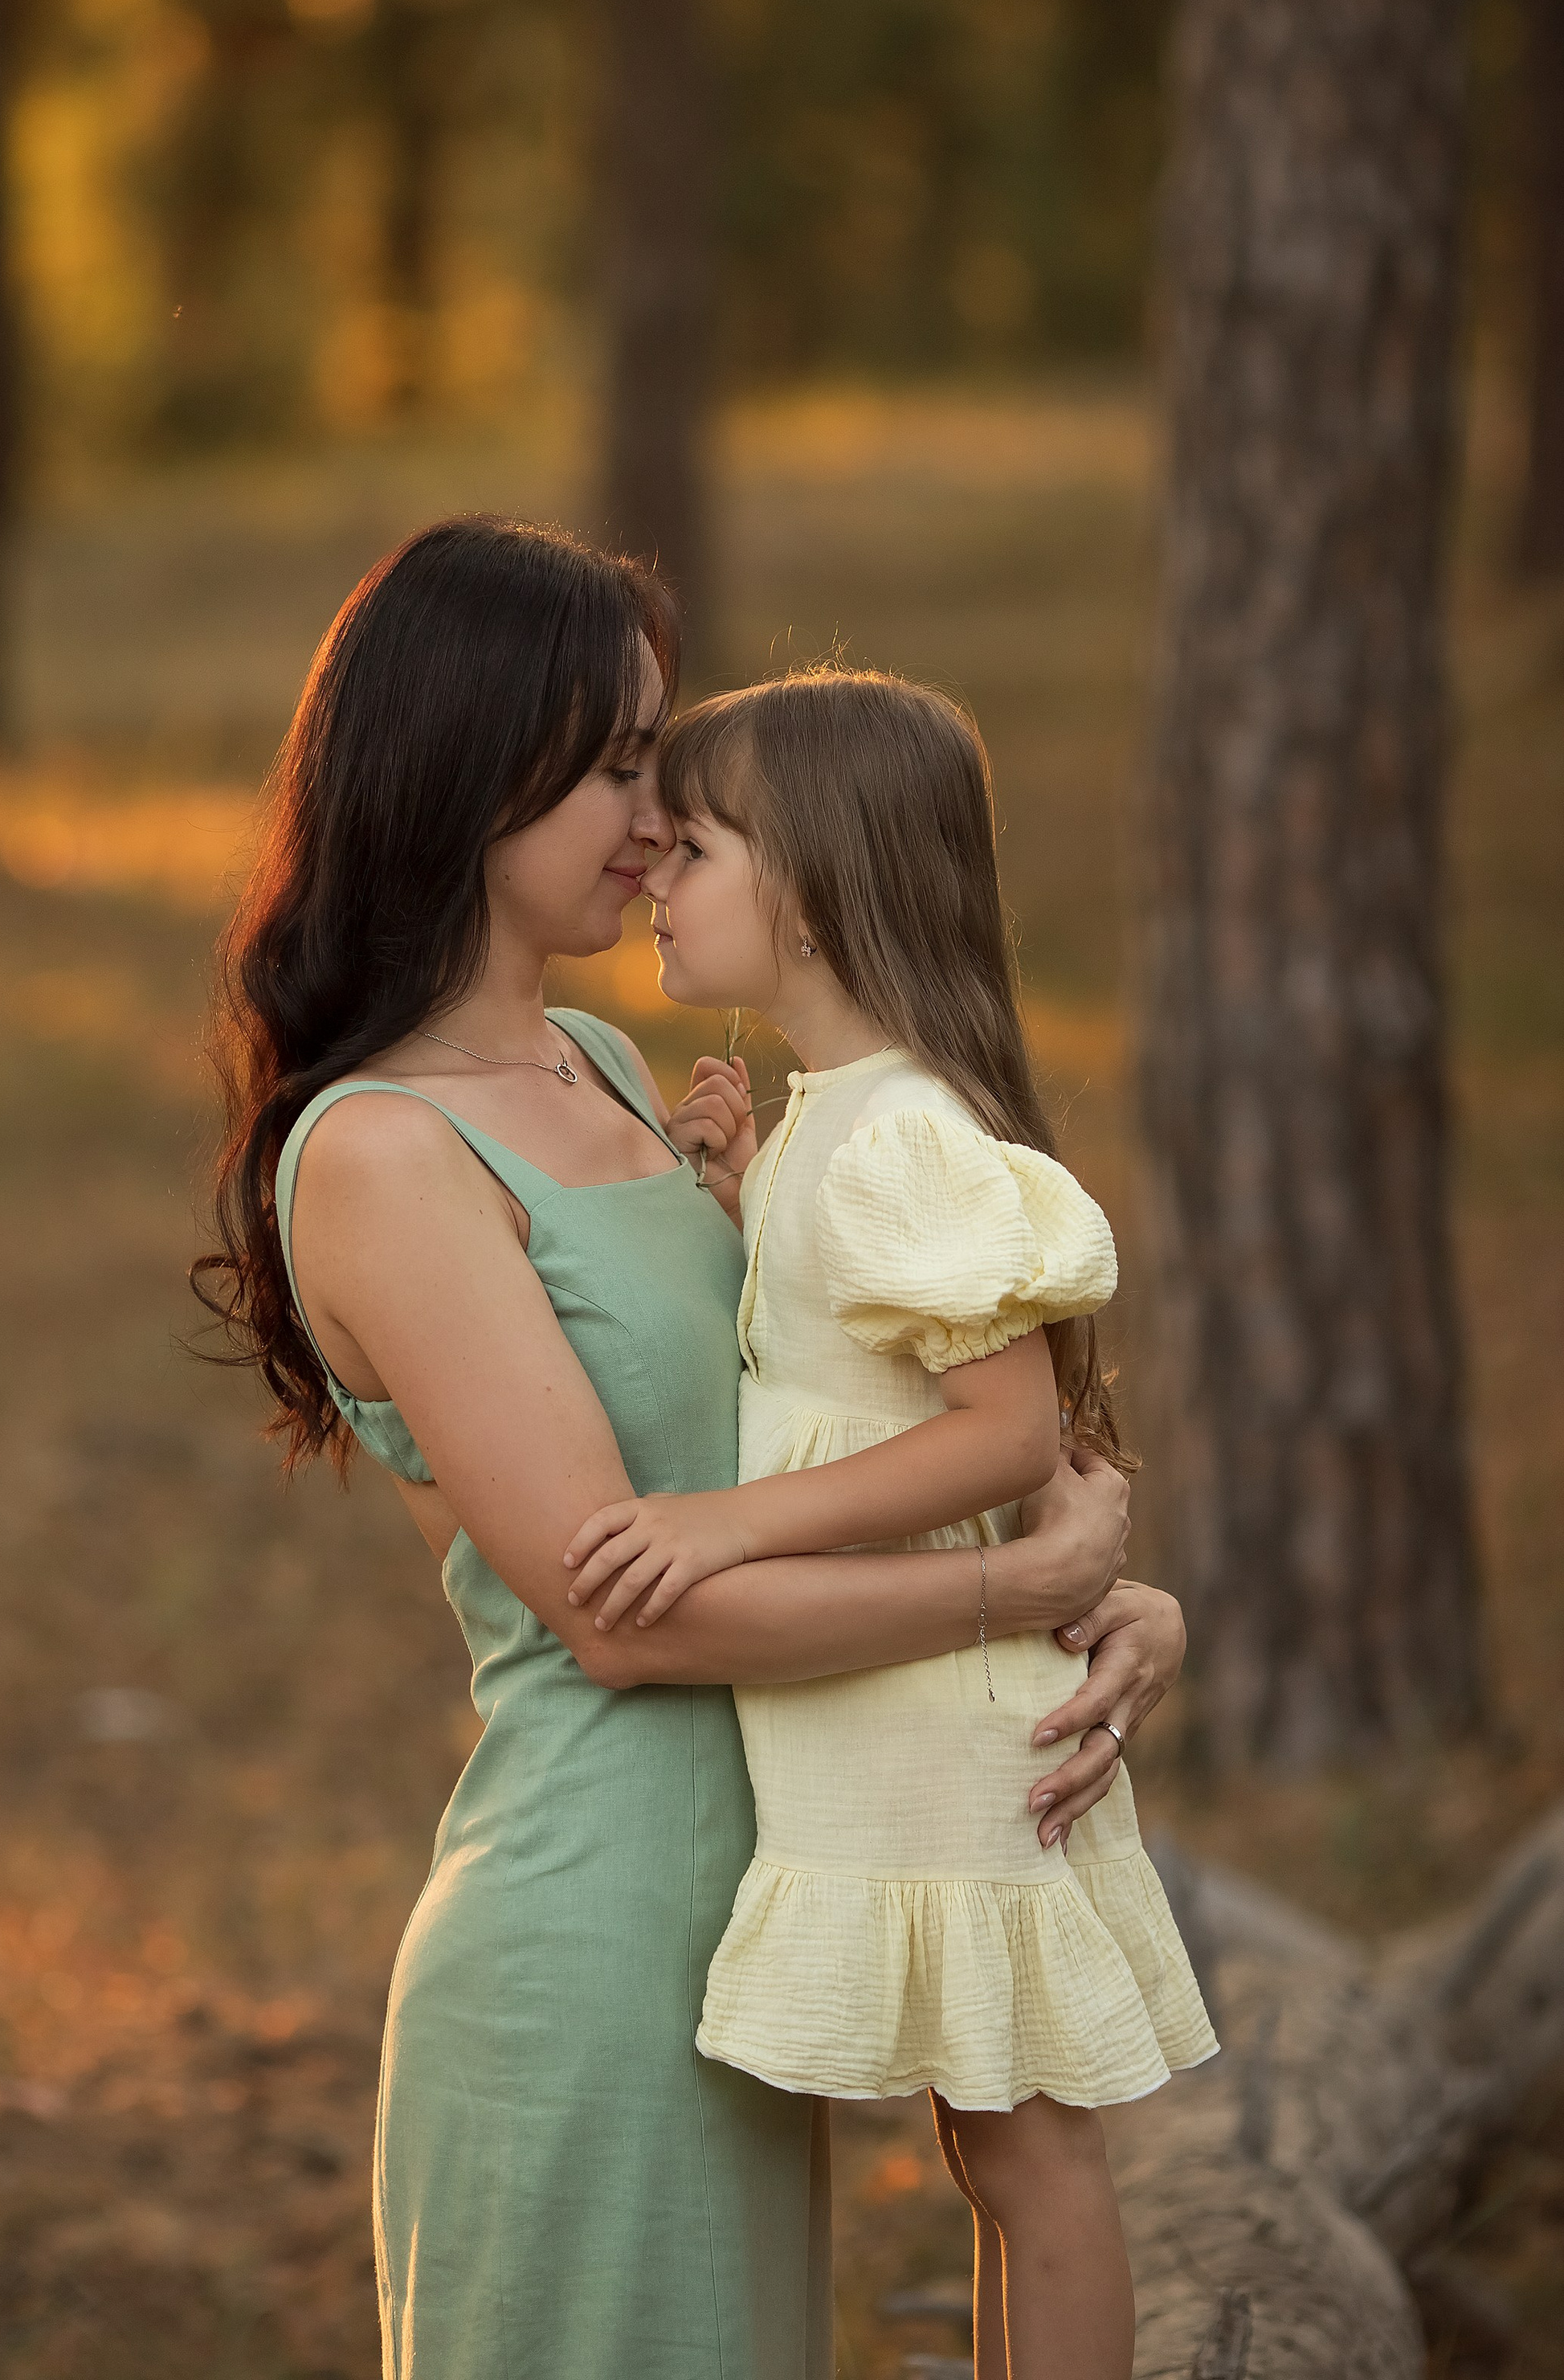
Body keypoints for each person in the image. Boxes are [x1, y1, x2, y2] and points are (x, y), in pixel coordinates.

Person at [196, 518, 1187, 2380]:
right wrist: (1005, 1587)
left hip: (747, 1926)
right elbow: (626, 1618)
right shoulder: (385, 1154)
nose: (656, 820)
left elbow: (859, 1420)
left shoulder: (612, 1071)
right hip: (590, 1938)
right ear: (473, 765)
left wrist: (1101, 1599)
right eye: (620, 765)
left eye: (659, 770)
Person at [563, 667, 1218, 2380]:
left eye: (690, 845)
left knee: (1025, 2151)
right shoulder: (826, 1122)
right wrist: (725, 1194)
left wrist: (726, 1526)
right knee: (982, 2139)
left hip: (955, 1721)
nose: (651, 874)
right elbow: (846, 1362)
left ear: (814, 883)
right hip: (894, 1717)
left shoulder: (893, 1135)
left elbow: (996, 1439)